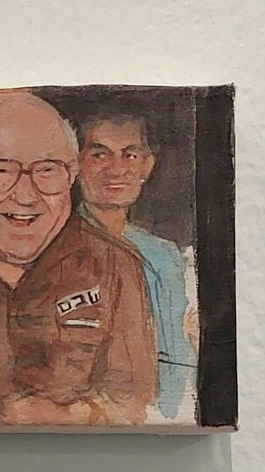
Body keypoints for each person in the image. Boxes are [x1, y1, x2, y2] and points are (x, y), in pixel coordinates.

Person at [0, 91, 157, 427]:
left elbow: (134, 405)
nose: (26, 195)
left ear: (72, 175)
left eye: (47, 170)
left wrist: (63, 416)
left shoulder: (114, 266)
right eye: (1, 170)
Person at [76, 112, 196, 420]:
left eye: (130, 155)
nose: (116, 169)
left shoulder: (166, 256)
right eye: (100, 154)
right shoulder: (64, 251)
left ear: (147, 165)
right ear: (75, 164)